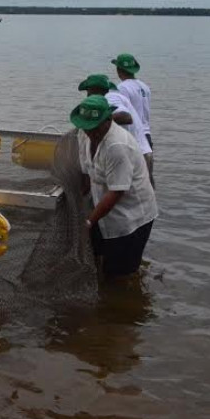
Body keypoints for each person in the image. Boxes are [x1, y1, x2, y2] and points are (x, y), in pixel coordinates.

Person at [70, 95, 157, 278]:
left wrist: (88, 221)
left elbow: (116, 192)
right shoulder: (84, 134)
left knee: (119, 275)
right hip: (103, 213)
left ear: (108, 120)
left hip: (131, 219)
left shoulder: (116, 146)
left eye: (95, 127)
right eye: (86, 127)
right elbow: (87, 173)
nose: (90, 133)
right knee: (96, 258)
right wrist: (77, 201)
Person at [77, 74, 153, 182]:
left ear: (93, 90)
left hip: (134, 157)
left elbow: (126, 117)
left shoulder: (109, 98)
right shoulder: (116, 97)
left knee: (129, 194)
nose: (87, 95)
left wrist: (96, 121)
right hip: (141, 153)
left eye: (88, 91)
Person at [112, 53, 154, 185]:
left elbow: (124, 115)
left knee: (131, 182)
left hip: (133, 137)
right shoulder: (145, 87)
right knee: (147, 181)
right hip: (146, 137)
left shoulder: (121, 88)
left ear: (119, 70)